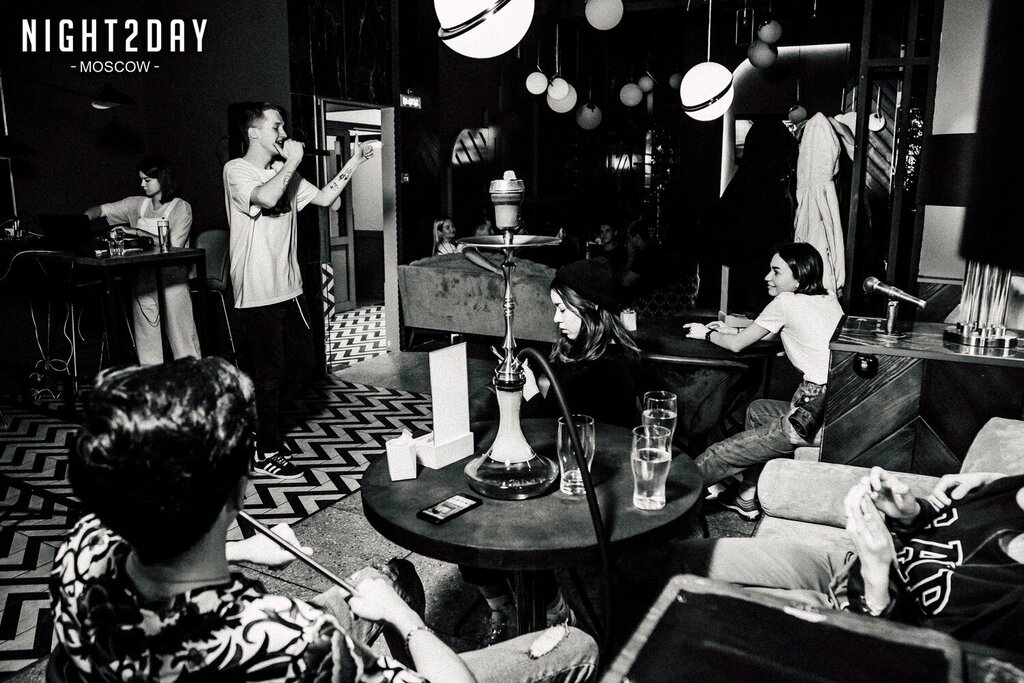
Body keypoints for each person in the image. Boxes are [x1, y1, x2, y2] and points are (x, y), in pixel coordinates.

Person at [51, 357, 599, 682]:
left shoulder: (82, 550)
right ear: (238, 491)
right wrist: (404, 622)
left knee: (391, 579)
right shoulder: (292, 641)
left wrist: (239, 549)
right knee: (576, 647)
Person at [465, 258, 646, 645]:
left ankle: (553, 608)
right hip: (563, 471)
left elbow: (556, 432)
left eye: (564, 309)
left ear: (591, 308)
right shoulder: (582, 352)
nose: (556, 318)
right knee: (469, 522)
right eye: (555, 308)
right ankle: (502, 608)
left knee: (491, 529)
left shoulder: (610, 369)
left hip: (588, 489)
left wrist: (530, 393)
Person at [664, 467, 1024, 652]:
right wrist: (910, 512)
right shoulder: (1013, 488)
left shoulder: (1011, 610)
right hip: (845, 566)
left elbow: (912, 662)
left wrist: (877, 574)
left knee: (695, 619)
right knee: (682, 557)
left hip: (861, 622)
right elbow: (947, 527)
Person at [223, 102, 376, 479]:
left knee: (302, 364)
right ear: (254, 133)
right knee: (270, 371)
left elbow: (325, 199)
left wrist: (354, 161)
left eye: (283, 126)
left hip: (289, 289)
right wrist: (290, 163)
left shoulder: (284, 171)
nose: (283, 133)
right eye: (276, 126)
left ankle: (258, 426)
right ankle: (266, 449)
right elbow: (266, 198)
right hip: (256, 289)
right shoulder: (236, 170)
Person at [683, 242, 843, 519]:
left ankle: (670, 504)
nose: (767, 277)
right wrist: (729, 329)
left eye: (776, 272)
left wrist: (707, 334)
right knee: (758, 410)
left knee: (717, 454)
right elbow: (776, 330)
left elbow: (737, 346)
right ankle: (746, 495)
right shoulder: (827, 298)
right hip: (837, 402)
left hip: (809, 413)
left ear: (798, 278)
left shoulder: (786, 302)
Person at [85, 155, 201, 365]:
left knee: (183, 340)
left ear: (162, 178)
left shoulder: (181, 208)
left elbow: (171, 247)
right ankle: (151, 380)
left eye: (147, 180)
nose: (142, 185)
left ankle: (193, 379)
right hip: (143, 278)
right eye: (141, 179)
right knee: (147, 342)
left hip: (172, 279)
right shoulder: (137, 204)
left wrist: (137, 232)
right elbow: (102, 210)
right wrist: (82, 222)